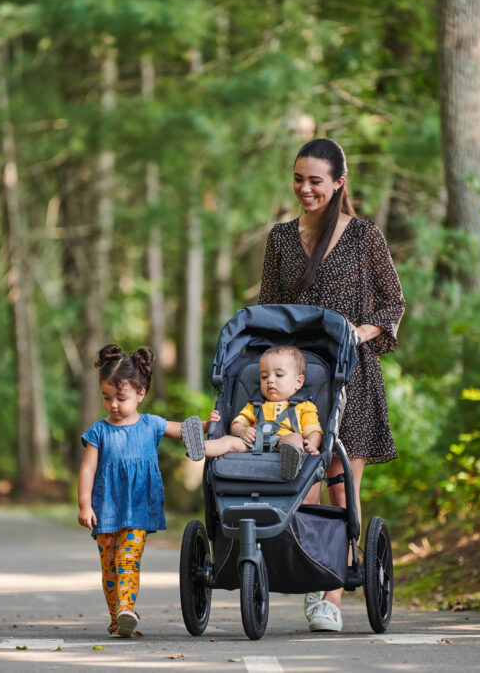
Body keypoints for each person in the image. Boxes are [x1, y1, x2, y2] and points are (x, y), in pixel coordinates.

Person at [258, 138, 405, 632]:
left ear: (339, 182)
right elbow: (267, 313)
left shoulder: (365, 237)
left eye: (315, 180)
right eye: (298, 179)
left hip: (350, 378)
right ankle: (310, 573)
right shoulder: (280, 239)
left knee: (343, 488)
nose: (304, 188)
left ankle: (331, 598)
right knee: (303, 483)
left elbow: (393, 304)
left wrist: (361, 331)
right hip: (295, 383)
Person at [77, 344, 246, 638]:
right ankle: (117, 617)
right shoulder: (98, 432)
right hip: (105, 508)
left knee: (128, 559)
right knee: (109, 568)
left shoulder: (151, 424)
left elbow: (181, 429)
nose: (113, 405)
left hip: (138, 506)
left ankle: (126, 608)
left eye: (121, 398)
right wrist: (84, 505)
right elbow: (88, 469)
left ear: (140, 394)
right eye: (107, 398)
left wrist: (206, 425)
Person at [185, 345, 322, 480]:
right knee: (228, 441)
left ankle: (291, 461)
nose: (270, 380)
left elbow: (313, 430)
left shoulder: (305, 407)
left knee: (295, 439)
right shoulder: (255, 405)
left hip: (284, 442)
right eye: (264, 376)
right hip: (254, 442)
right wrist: (243, 431)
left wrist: (312, 444)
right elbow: (237, 423)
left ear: (298, 382)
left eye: (279, 375)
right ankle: (199, 447)